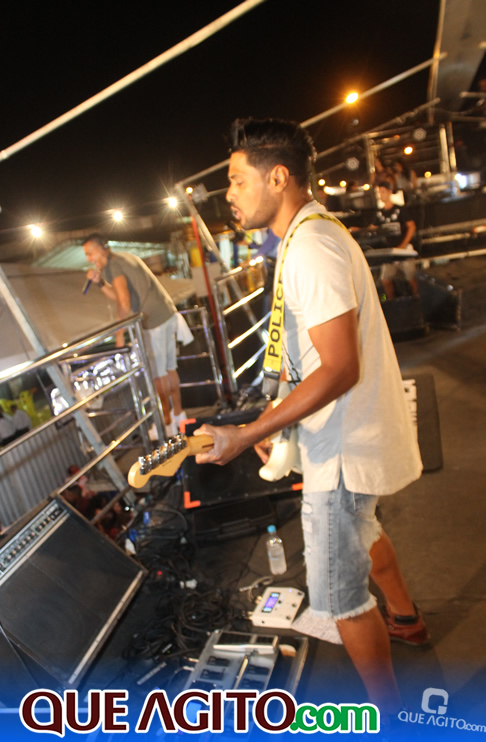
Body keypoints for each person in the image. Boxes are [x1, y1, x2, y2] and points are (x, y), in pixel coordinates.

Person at [194, 118, 428, 717]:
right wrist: (276, 420)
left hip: (343, 447)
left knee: (342, 599)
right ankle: (406, 618)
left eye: (237, 179)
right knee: (363, 531)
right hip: (346, 435)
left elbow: (340, 367)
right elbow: (316, 360)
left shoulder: (311, 248)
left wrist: (249, 431)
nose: (229, 193)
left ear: (278, 177)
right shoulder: (312, 233)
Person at [82, 234, 186, 437]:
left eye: (90, 253)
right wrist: (100, 283)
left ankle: (166, 423)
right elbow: (120, 295)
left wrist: (120, 334)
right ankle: (179, 415)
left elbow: (124, 301)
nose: (89, 259)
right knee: (169, 368)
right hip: (166, 313)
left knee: (158, 376)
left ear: (102, 248)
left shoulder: (114, 266)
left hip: (151, 321)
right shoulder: (123, 257)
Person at [373, 180, 418, 299]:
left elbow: (411, 226)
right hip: (390, 251)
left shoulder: (400, 209)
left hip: (404, 250)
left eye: (382, 192)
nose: (380, 195)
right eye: (379, 192)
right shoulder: (380, 213)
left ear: (389, 192)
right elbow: (373, 228)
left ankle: (417, 299)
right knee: (386, 280)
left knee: (411, 278)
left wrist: (403, 245)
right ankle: (392, 301)